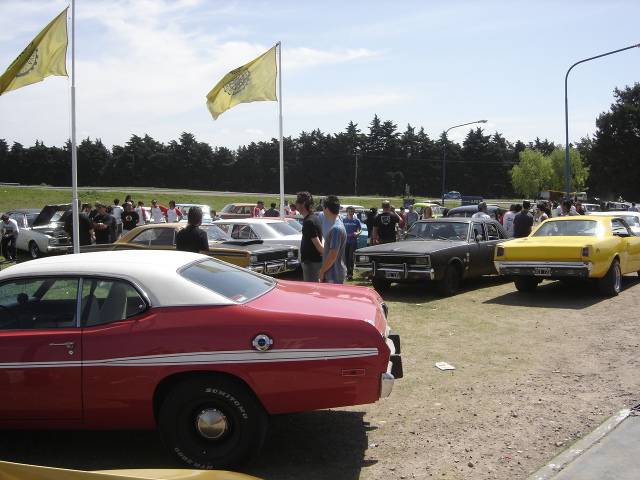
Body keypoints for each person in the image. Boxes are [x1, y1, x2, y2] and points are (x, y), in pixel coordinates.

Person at [295, 191, 324, 282]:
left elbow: (319, 246)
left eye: (297, 201)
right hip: (313, 262)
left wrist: (327, 256)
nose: (295, 203)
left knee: (311, 291)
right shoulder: (314, 217)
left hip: (311, 263)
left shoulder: (309, 222)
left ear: (303, 204)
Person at [318, 195, 347, 284]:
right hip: (336, 273)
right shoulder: (339, 225)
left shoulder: (336, 229)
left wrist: (322, 271)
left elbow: (332, 255)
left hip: (333, 275)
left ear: (326, 208)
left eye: (323, 207)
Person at [342, 206, 362, 280]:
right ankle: (347, 272)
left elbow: (360, 229)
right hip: (345, 241)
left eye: (352, 211)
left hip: (353, 241)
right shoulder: (344, 220)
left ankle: (350, 273)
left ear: (354, 212)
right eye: (349, 211)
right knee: (346, 257)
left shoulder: (356, 220)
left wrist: (358, 233)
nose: (350, 213)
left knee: (351, 257)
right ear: (347, 212)